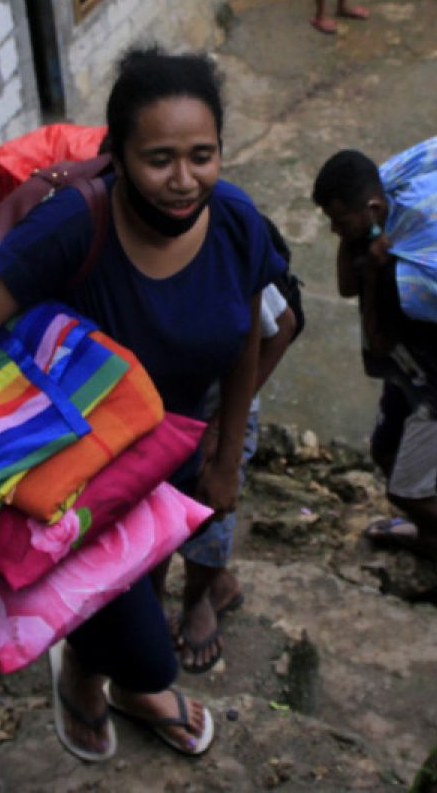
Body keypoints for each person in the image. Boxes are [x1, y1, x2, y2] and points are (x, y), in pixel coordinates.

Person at [0, 46, 285, 762]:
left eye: (202, 154)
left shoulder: (236, 221)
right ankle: (106, 682)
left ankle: (105, 682)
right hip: (80, 481)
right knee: (144, 646)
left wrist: (225, 460)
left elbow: (246, 328)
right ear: (118, 155)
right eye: (159, 158)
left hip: (179, 459)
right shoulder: (73, 228)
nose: (184, 180)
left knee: (141, 592)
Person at [311, 149, 437, 618]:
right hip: (407, 378)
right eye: (332, 223)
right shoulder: (370, 233)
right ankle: (427, 533)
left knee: (409, 490)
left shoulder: (408, 265)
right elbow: (343, 286)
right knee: (383, 452)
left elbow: (379, 337)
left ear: (373, 209)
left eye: (340, 221)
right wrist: (354, 240)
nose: (337, 231)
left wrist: (378, 271)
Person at [170, 271, 297, 673]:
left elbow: (282, 327)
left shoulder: (221, 251)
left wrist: (224, 432)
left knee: (210, 517)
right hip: (154, 415)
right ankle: (188, 591)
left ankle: (198, 598)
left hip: (217, 412)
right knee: (157, 515)